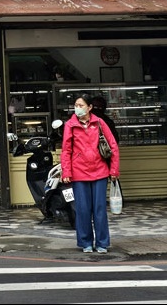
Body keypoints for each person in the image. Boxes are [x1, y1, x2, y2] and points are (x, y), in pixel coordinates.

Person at [61, 92, 120, 254]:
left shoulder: (99, 123)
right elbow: (66, 150)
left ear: (90, 108)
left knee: (100, 209)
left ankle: (102, 242)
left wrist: (114, 170)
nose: (77, 109)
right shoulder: (70, 125)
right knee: (82, 209)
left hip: (100, 172)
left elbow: (113, 146)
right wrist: (66, 171)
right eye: (76, 106)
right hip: (79, 173)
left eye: (81, 106)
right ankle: (85, 242)